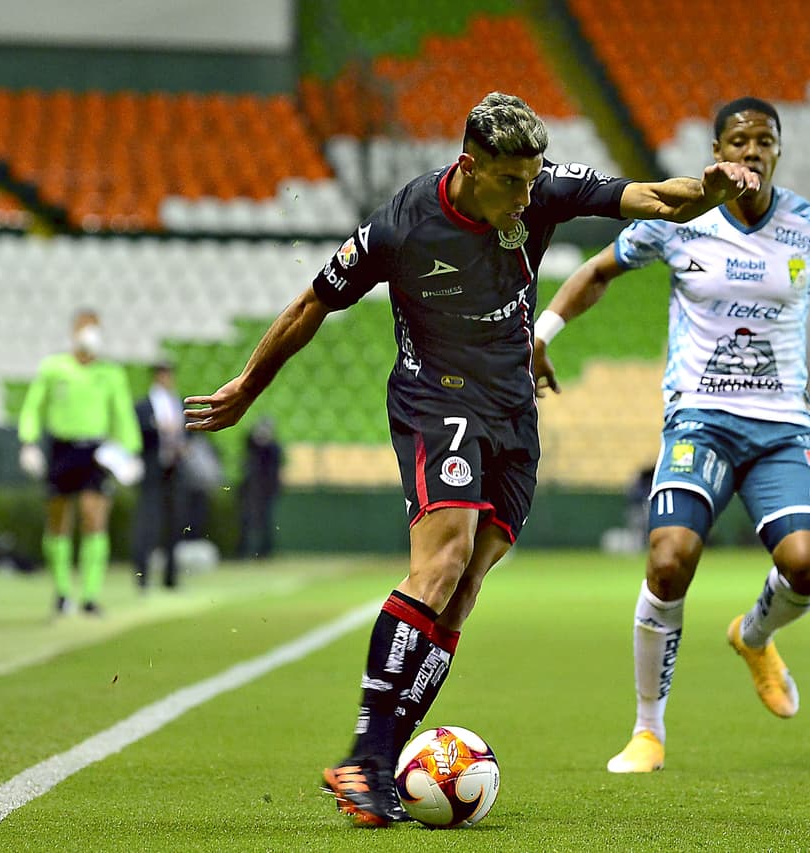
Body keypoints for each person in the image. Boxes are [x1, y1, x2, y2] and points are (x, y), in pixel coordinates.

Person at [183, 91, 758, 827]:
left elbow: (647, 196)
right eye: (513, 183)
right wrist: (247, 386)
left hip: (513, 411)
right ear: (470, 166)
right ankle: (364, 753)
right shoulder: (401, 225)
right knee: (442, 559)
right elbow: (311, 305)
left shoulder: (538, 192)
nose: (528, 197)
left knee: (467, 583)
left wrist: (702, 191)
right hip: (436, 400)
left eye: (534, 180)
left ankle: (381, 759)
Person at [531, 97, 810, 774]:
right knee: (669, 559)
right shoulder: (681, 220)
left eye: (764, 140)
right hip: (698, 419)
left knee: (809, 563)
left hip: (782, 429)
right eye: (739, 140)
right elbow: (596, 272)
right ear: (717, 152)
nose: (752, 150)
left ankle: (753, 634)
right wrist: (542, 334)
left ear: (778, 152)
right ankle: (648, 730)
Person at [18, 308, 142, 617]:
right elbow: (33, 406)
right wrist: (29, 441)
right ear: (73, 331)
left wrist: (131, 451)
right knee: (59, 521)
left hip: (96, 452)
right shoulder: (54, 367)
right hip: (62, 449)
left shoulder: (111, 373)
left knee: (93, 517)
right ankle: (61, 593)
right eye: (84, 327)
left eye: (95, 328)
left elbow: (122, 414)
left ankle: (90, 595)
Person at [132, 361, 186, 590]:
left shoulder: (177, 402)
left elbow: (187, 431)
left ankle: (171, 577)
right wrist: (159, 428)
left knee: (174, 523)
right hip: (152, 468)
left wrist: (183, 443)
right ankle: (142, 576)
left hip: (173, 468)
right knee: (148, 522)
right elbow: (139, 432)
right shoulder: (144, 406)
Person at [236, 417, 282, 559]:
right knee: (246, 520)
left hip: (265, 490)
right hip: (251, 488)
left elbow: (273, 470)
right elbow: (247, 440)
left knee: (264, 521)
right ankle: (242, 550)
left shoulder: (273, 448)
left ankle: (264, 551)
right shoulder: (253, 445)